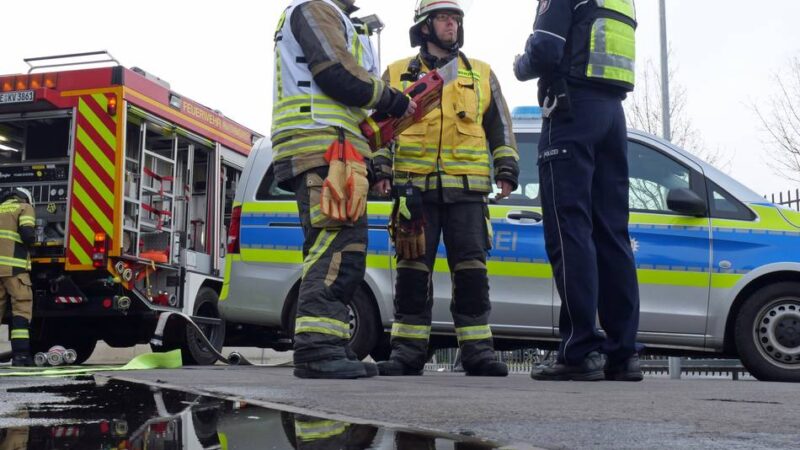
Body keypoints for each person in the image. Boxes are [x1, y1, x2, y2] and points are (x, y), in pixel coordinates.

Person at [373, 0, 519, 377]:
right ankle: (407, 352)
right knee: (411, 270)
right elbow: (381, 128)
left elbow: (500, 126)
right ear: (424, 26)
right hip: (413, 191)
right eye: (443, 18)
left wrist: (506, 168)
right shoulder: (395, 73)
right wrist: (381, 169)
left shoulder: (482, 73)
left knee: (472, 270)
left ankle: (477, 352)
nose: (451, 25)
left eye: (456, 19)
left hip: (468, 192)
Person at [272, 0, 416, 379]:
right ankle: (317, 351)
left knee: (340, 249)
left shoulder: (337, 19)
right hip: (319, 145)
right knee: (335, 248)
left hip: (336, 147)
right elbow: (335, 73)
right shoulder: (313, 9)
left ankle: (330, 346)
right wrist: (392, 98)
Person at [513, 0, 643, 381]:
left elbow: (546, 50)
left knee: (570, 231)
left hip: (571, 112)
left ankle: (579, 350)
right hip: (612, 115)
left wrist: (521, 63)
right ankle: (623, 354)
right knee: (612, 234)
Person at [0, 188, 36, 368]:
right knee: (21, 309)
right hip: (15, 269)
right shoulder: (24, 208)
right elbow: (28, 234)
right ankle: (21, 356)